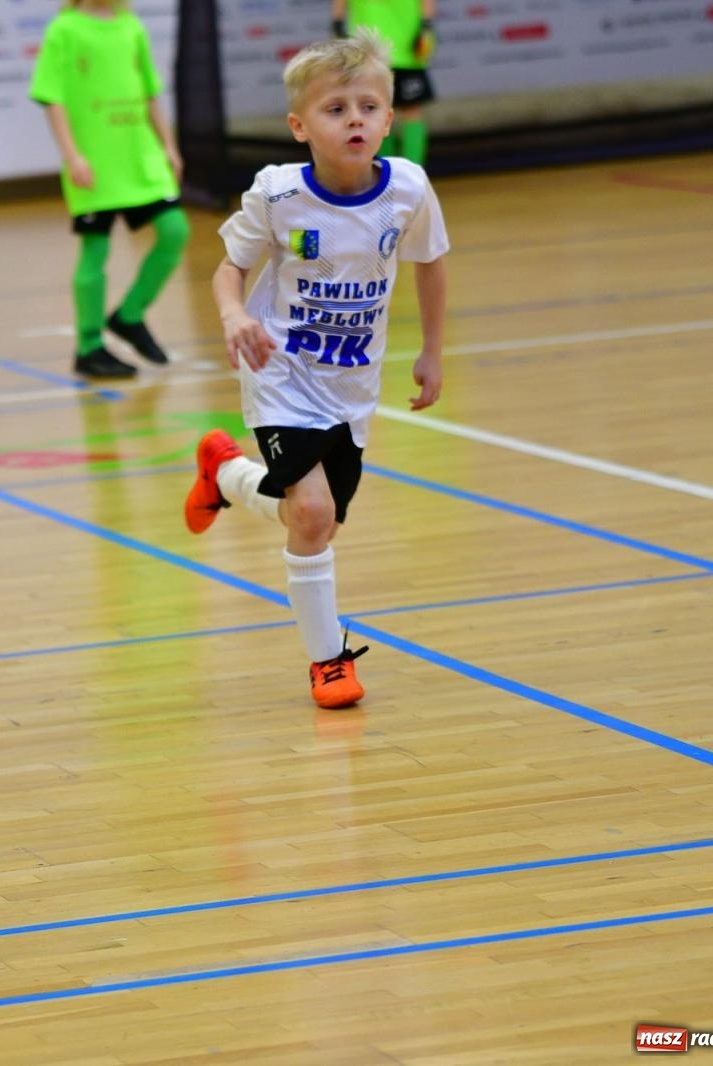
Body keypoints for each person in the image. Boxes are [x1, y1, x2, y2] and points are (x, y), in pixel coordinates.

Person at [184, 31, 448, 710]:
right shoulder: (277, 195)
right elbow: (229, 269)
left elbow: (431, 262)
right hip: (281, 372)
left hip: (352, 386)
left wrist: (433, 350)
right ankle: (328, 661)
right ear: (300, 126)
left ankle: (223, 472)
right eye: (336, 109)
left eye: (368, 106)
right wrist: (234, 317)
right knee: (312, 511)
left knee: (314, 520)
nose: (355, 118)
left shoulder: (409, 190)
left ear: (389, 119)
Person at [29, 0, 190, 380]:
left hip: (140, 159)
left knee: (174, 231)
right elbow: (52, 98)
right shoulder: (64, 30)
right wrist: (73, 156)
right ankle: (88, 347)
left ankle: (130, 314)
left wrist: (167, 144)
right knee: (95, 250)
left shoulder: (130, 25)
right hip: (95, 164)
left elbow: (149, 92)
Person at [332, 0, 437, 166]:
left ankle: (413, 171)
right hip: (367, 50)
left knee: (409, 110)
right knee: (373, 111)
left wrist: (426, 25)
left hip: (405, 47)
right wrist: (337, 22)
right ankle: (384, 170)